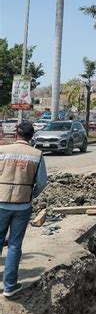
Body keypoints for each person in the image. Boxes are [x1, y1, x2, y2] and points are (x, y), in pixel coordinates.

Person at [0, 121, 47, 298]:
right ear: (31, 136)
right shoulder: (36, 154)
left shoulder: (2, 151)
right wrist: (30, 194)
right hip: (22, 205)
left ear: (16, 134)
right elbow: (42, 182)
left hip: (1, 202)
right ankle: (9, 287)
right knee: (14, 245)